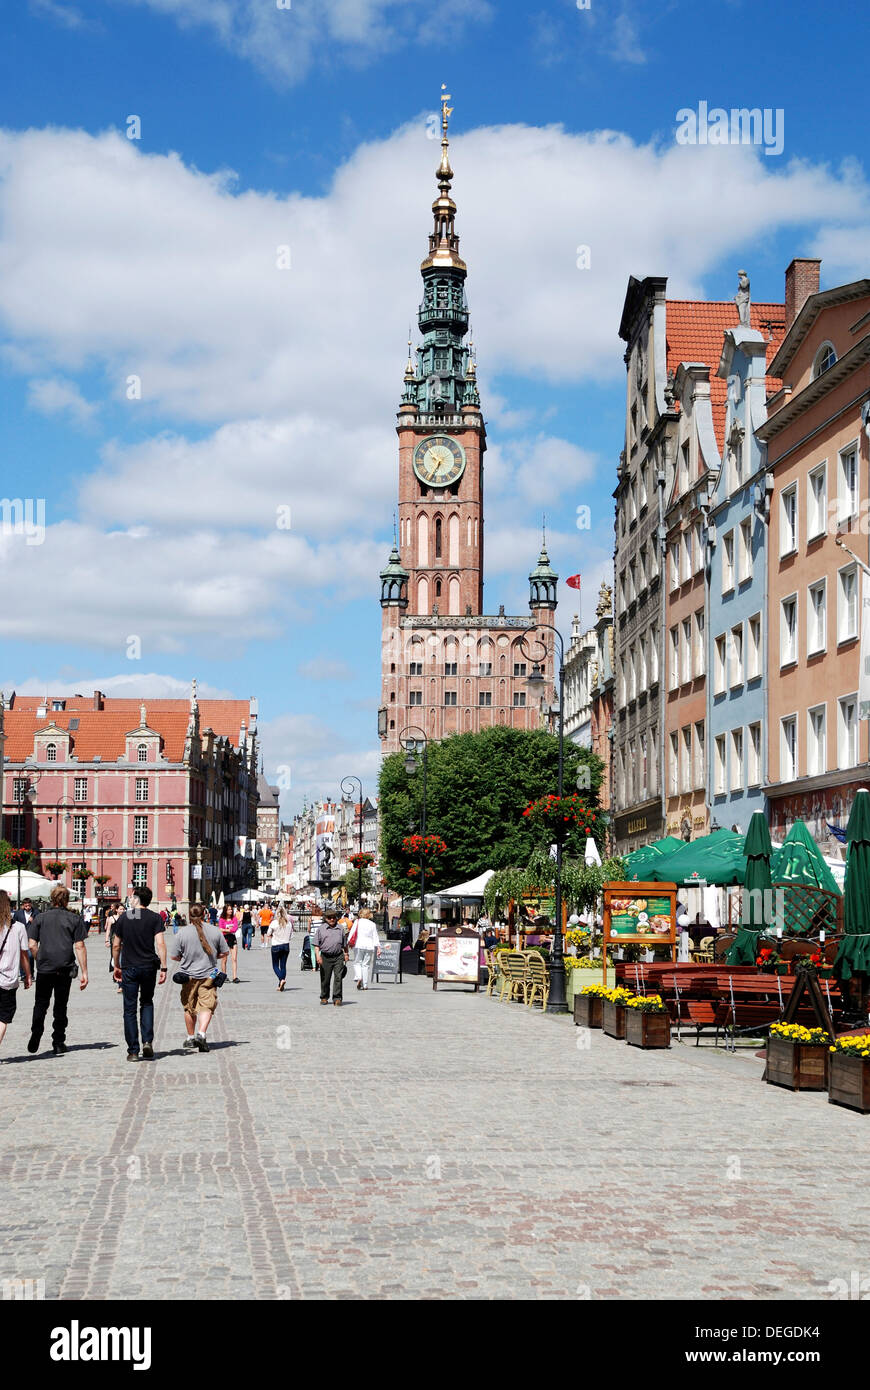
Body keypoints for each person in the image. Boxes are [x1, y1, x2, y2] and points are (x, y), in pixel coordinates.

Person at [27, 884, 88, 1056]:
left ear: (51, 899)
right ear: (67, 900)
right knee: (60, 1005)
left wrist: (40, 958)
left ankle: (36, 1033)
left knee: (41, 1003)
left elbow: (31, 944)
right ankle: (58, 1041)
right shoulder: (74, 919)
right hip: (65, 967)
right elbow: (80, 946)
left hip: (45, 968)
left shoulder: (40, 918)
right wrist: (84, 972)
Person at [112, 885, 167, 1061]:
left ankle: (133, 1051)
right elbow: (160, 944)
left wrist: (116, 965)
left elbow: (115, 944)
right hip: (148, 966)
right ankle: (147, 1042)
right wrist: (164, 967)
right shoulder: (155, 918)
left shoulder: (124, 918)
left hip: (129, 967)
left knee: (129, 1009)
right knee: (147, 1002)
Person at [168, 903, 228, 1053]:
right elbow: (225, 953)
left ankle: (190, 1038)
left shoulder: (182, 933)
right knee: (207, 1005)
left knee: (189, 1007)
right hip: (209, 975)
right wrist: (213, 956)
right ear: (205, 915)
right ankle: (201, 1033)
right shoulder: (215, 931)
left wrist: (186, 957)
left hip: (188, 976)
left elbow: (174, 956)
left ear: (189, 915)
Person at [0, 890, 32, 1053]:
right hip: (7, 980)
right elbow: (24, 954)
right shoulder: (18, 928)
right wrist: (28, 975)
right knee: (3, 1017)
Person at [312, 908, 349, 1006]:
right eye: (329, 918)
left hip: (338, 956)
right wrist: (317, 957)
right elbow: (316, 944)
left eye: (334, 917)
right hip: (325, 956)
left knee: (338, 977)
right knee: (325, 978)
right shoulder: (321, 929)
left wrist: (346, 954)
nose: (332, 919)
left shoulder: (340, 928)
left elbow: (345, 944)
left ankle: (337, 998)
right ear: (325, 918)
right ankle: (324, 997)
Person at [351, 908, 381, 991]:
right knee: (366, 965)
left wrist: (348, 942)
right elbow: (375, 936)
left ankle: (359, 977)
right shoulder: (372, 924)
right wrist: (378, 947)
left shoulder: (357, 922)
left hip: (359, 944)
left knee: (357, 962)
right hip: (369, 946)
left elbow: (352, 932)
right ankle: (365, 984)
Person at [266, 906, 292, 991]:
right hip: (286, 945)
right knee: (283, 966)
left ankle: (281, 979)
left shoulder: (274, 923)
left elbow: (268, 933)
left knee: (275, 965)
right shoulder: (288, 923)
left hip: (276, 945)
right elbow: (291, 936)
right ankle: (280, 984)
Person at [219, 907, 241, 983]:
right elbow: (220, 929)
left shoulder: (234, 918)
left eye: (231, 909)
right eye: (229, 909)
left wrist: (225, 930)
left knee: (234, 959)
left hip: (232, 938)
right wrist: (229, 930)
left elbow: (235, 929)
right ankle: (224, 976)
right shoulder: (222, 919)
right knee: (224, 959)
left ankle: (235, 977)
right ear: (225, 910)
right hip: (224, 939)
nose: (230, 911)